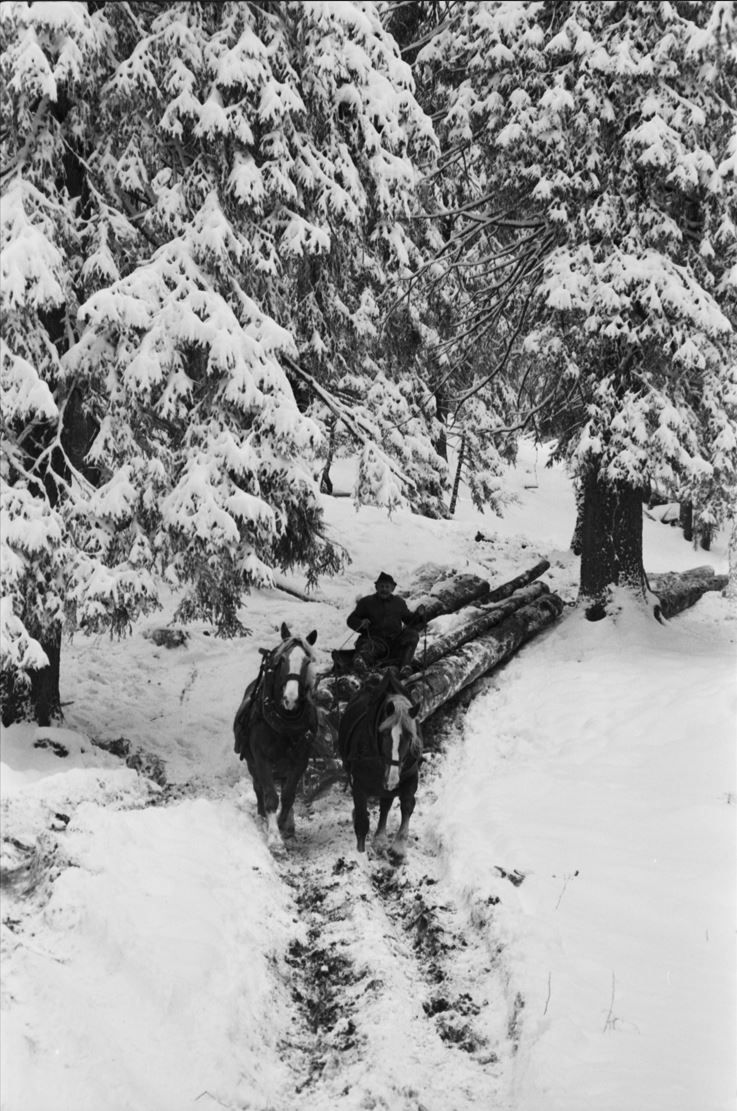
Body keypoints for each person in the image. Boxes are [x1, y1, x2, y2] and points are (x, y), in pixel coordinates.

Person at [346, 572, 426, 678]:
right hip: (374, 641)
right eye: (382, 586)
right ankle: (362, 669)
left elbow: (410, 620)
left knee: (412, 635)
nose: (384, 589)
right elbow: (351, 620)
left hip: (394, 643)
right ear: (376, 587)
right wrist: (361, 623)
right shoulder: (366, 602)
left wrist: (419, 615)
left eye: (387, 586)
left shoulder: (399, 603)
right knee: (365, 650)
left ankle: (405, 667)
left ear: (392, 588)